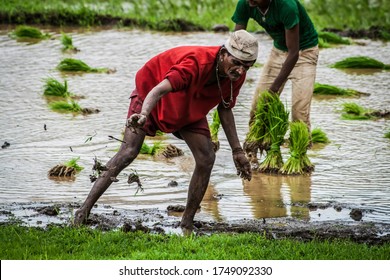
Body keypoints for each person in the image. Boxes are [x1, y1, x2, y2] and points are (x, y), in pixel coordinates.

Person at [74, 30, 258, 230]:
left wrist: (237, 151)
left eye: (247, 66)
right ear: (223, 53)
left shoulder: (235, 77)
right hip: (150, 98)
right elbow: (158, 90)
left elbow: (225, 107)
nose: (240, 71)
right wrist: (144, 114)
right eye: (236, 62)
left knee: (206, 158)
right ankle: (83, 211)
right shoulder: (196, 63)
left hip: (188, 103)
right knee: (128, 152)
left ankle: (187, 223)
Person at [232, 0, 319, 132]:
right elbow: (237, 43)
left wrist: (273, 90)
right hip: (278, 52)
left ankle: (300, 151)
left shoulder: (286, 5)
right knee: (259, 107)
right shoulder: (246, 2)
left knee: (299, 114)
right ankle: (252, 149)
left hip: (305, 52)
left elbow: (294, 53)